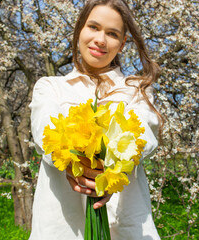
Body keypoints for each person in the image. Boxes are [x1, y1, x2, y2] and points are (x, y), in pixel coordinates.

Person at [29, 0, 161, 239]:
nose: (100, 40)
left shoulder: (137, 90)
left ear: (121, 45)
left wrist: (110, 171)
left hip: (126, 227)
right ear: (79, 30)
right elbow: (46, 137)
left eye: (112, 34)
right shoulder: (50, 87)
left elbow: (144, 139)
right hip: (61, 227)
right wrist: (73, 166)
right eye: (93, 27)